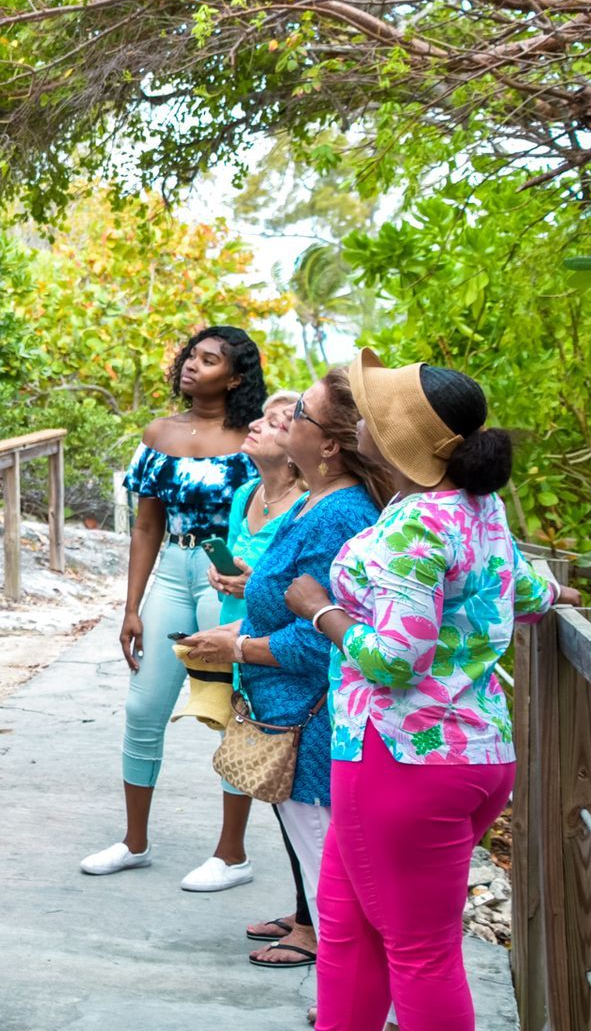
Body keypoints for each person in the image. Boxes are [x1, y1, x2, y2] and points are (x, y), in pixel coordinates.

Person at [288, 354, 576, 1030]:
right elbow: (521, 591)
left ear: (394, 437)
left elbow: (396, 657)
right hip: (471, 757)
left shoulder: (415, 524)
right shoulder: (476, 507)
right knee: (348, 926)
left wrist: (321, 611)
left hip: (399, 762)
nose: (361, 416)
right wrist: (561, 592)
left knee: (420, 952)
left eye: (373, 408)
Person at [185, 371, 389, 977]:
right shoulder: (314, 503)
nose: (281, 417)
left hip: (315, 722)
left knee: (337, 878)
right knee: (327, 867)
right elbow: (297, 593)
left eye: (297, 412)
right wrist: (251, 601)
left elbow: (327, 634)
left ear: (328, 444)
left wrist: (240, 647)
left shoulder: (341, 514)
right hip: (292, 716)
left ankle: (351, 997)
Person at [81, 326, 265, 890]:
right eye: (191, 355)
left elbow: (276, 510)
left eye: (209, 361)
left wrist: (253, 581)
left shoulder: (252, 440)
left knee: (230, 710)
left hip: (226, 580)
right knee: (143, 708)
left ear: (234, 378)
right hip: (171, 572)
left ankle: (231, 854)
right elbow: (145, 524)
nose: (192, 365)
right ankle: (134, 842)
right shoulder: (158, 433)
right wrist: (130, 606)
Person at [205, 392, 321, 965]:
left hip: (280, 662)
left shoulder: (320, 507)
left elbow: (310, 605)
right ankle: (306, 912)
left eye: (282, 421)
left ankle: (316, 925)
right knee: (281, 794)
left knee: (303, 798)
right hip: (251, 656)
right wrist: (238, 583)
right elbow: (273, 585)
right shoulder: (248, 493)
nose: (259, 425)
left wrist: (247, 623)